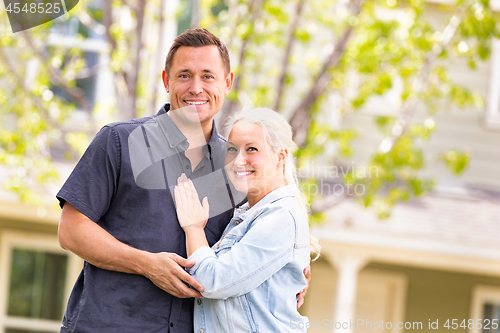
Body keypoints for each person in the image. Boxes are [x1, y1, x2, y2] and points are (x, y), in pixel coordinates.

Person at [57, 29, 310, 333]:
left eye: (208, 76)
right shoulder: (119, 142)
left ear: (227, 83)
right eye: (184, 76)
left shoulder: (238, 167)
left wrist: (291, 273)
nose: (196, 88)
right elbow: (71, 231)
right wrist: (147, 265)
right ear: (166, 80)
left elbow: (262, 242)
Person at [174, 108, 320, 332]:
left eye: (252, 149)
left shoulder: (282, 217)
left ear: (280, 157)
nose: (238, 160)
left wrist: (194, 228)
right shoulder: (247, 214)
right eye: (232, 149)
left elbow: (212, 281)